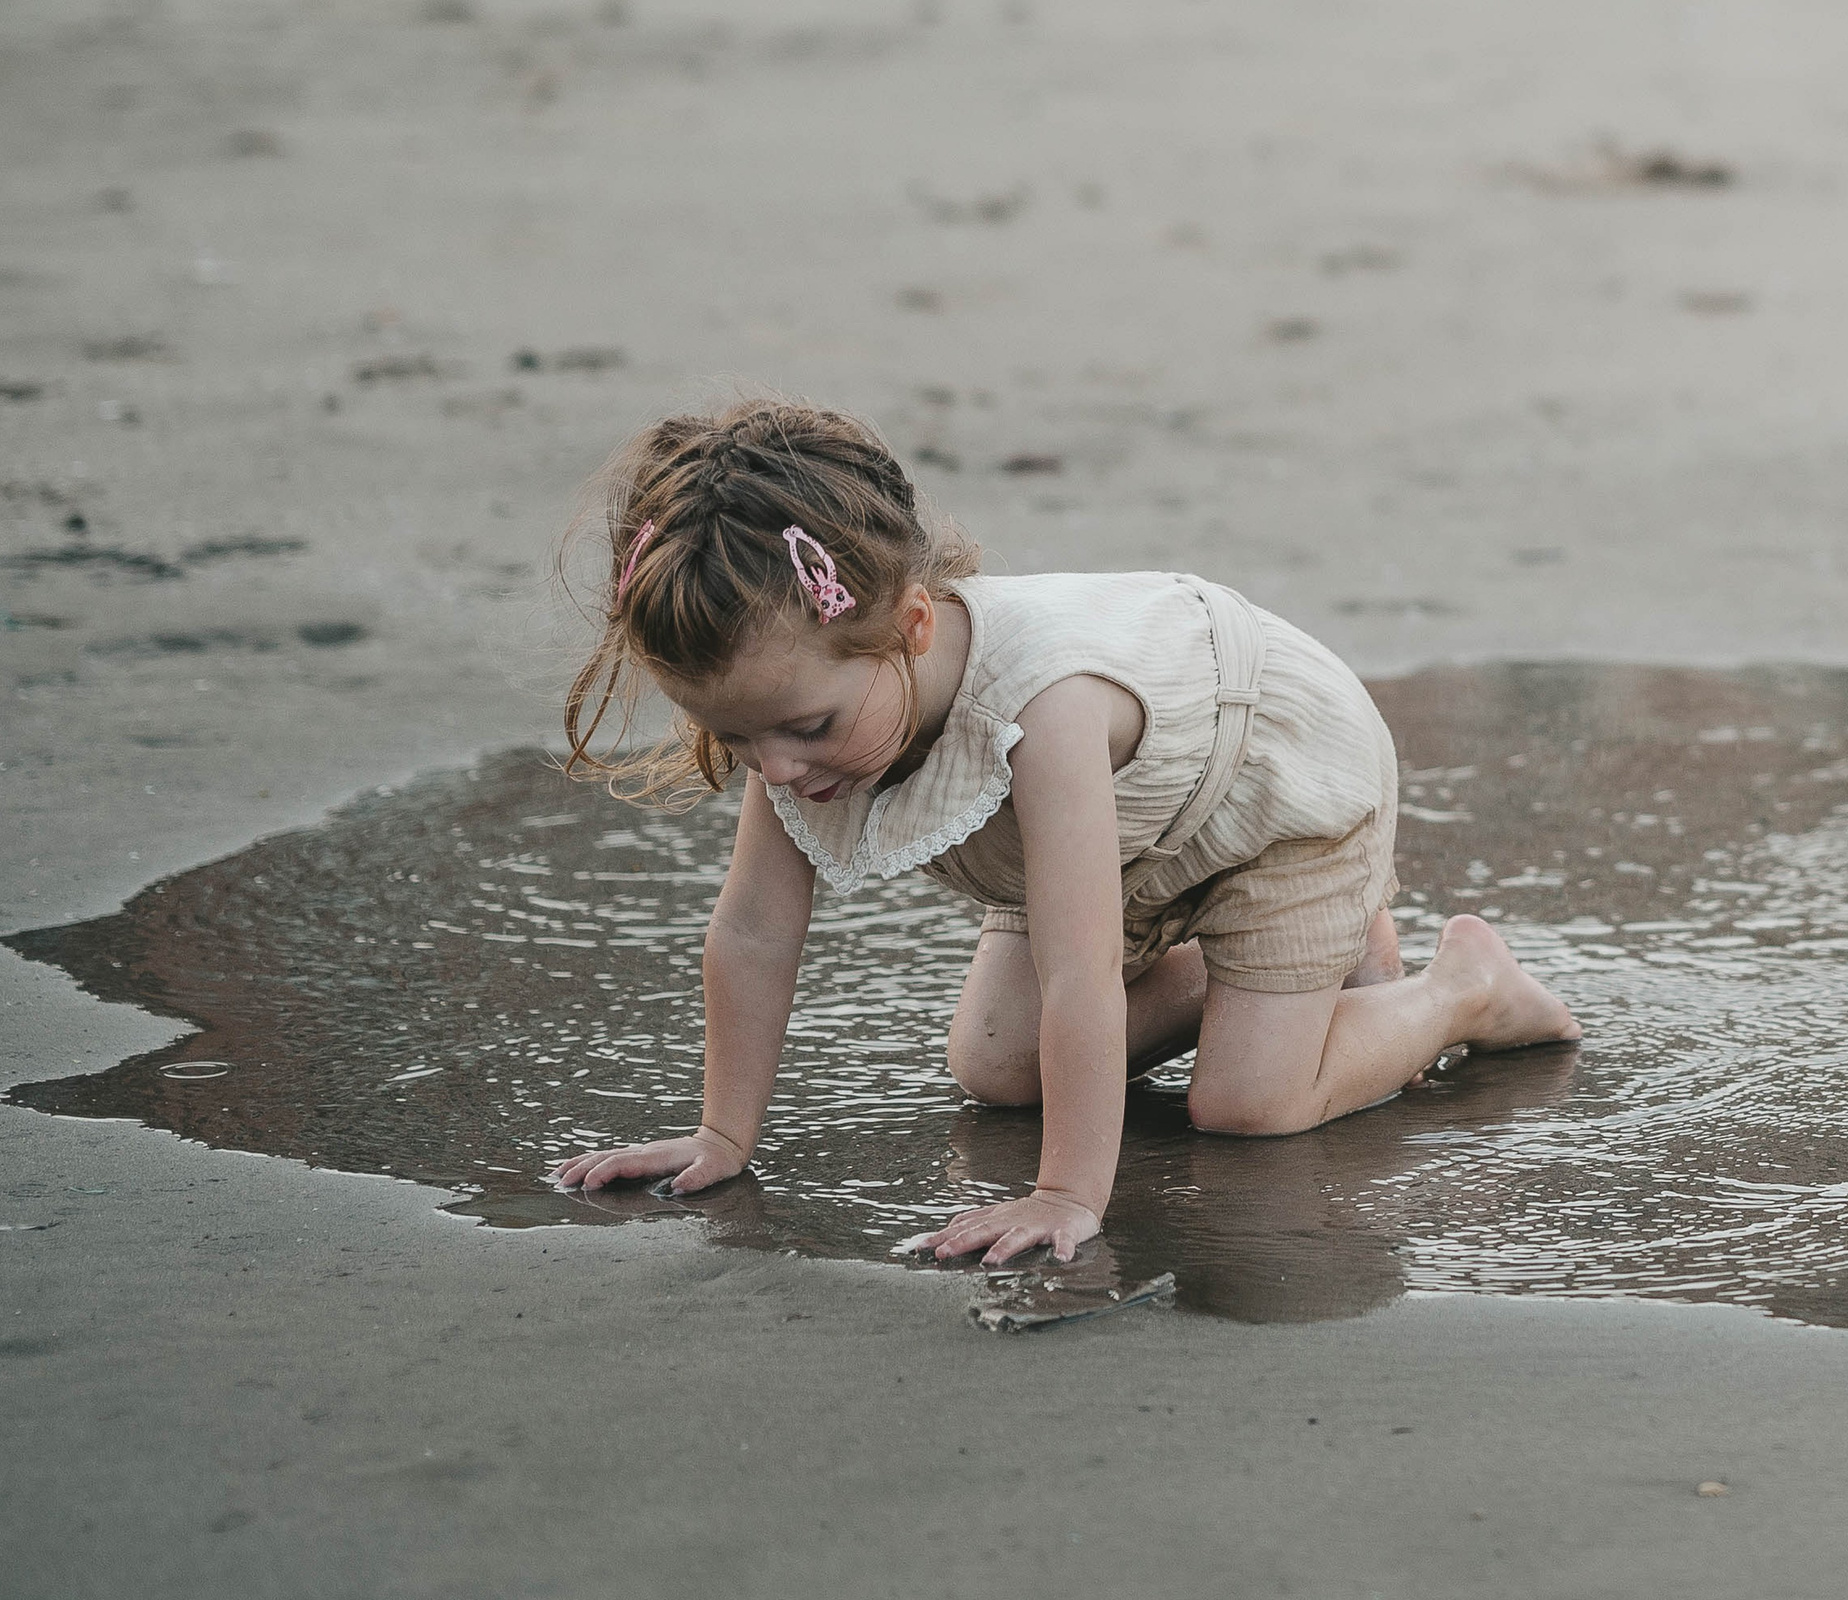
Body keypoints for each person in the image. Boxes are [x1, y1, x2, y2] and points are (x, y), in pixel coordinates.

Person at [544, 398, 1580, 1264]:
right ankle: (1302, 972)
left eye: (806, 729)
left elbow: (1082, 975)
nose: (776, 769)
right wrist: (723, 1134)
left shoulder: (1043, 709)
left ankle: (1462, 987)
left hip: (1273, 784)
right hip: (1129, 836)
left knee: (1249, 1101)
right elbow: (755, 932)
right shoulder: (800, 708)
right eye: (733, 736)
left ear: (908, 629)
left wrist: (1066, 1195)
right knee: (997, 1066)